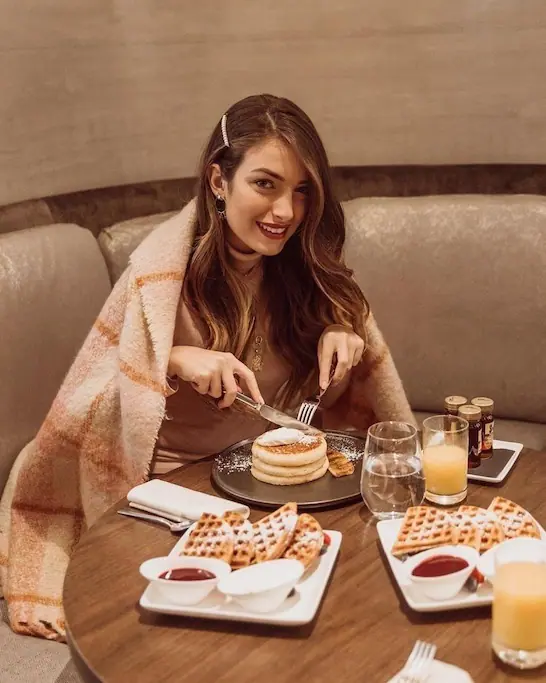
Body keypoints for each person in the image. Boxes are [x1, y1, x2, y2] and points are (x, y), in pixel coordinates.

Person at [0, 94, 413, 641]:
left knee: (367, 589)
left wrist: (342, 332)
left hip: (274, 490)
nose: (285, 212)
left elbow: (337, 398)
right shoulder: (159, 275)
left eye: (301, 191)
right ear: (219, 181)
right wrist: (170, 361)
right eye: (265, 184)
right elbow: (94, 399)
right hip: (174, 500)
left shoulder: (303, 268)